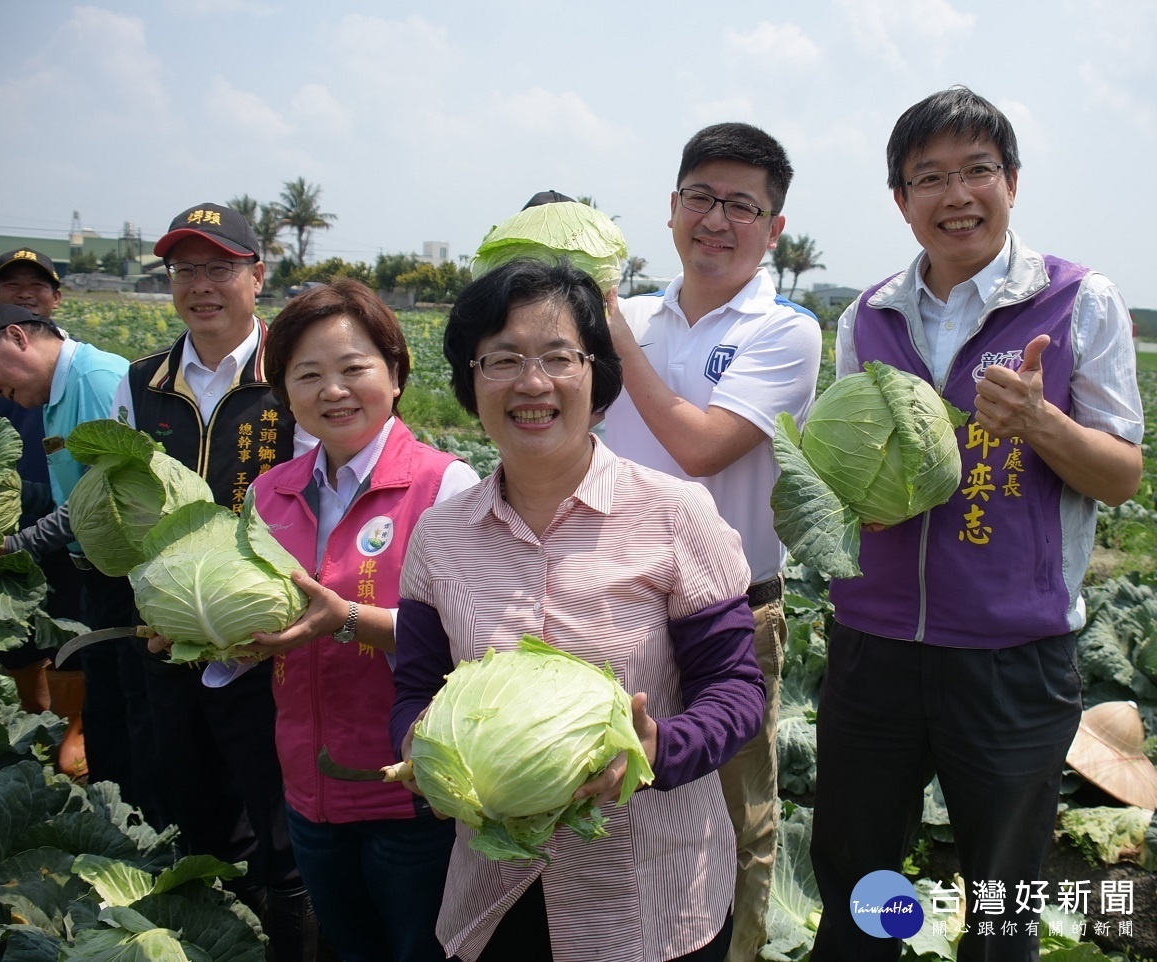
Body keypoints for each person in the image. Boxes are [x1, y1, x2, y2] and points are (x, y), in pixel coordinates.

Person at [811, 87, 1144, 962]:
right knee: (859, 878)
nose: (957, 194)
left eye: (977, 171)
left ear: (1013, 181)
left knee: (1000, 898)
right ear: (901, 200)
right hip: (874, 644)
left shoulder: (1080, 300)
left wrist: (1042, 424)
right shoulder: (867, 315)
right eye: (930, 177)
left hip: (1012, 656)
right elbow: (842, 466)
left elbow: (1122, 474)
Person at [390, 258, 766, 962]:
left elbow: (737, 693)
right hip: (494, 895)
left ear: (598, 376)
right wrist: (419, 750)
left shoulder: (675, 515)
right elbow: (414, 690)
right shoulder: (439, 537)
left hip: (651, 897)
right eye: (501, 359)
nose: (532, 383)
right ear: (471, 383)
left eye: (558, 357)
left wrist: (658, 751)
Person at [602, 122, 822, 960]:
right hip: (614, 599)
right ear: (671, 208)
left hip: (730, 608)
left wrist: (613, 334)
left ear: (774, 229)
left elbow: (699, 446)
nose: (717, 220)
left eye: (743, 205)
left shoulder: (786, 330)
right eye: (702, 197)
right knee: (612, 796)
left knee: (739, 818)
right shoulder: (630, 314)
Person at [241, 280, 480, 962]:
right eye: (308, 374)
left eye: (354, 369)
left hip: (409, 790)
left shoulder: (444, 485)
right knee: (347, 948)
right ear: (284, 391)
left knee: (419, 951)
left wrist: (347, 618)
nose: (334, 391)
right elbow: (259, 619)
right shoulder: (269, 493)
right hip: (306, 785)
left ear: (396, 373)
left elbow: (474, 637)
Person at [117, 202, 315, 962]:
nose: (202, 286)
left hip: (270, 644)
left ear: (256, 277)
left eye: (220, 268)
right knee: (192, 815)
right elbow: (117, 511)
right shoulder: (138, 385)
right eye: (186, 270)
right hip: (171, 641)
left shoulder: (293, 376)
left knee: (278, 825)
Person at [0, 301, 156, 809]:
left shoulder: (95, 379)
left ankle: (140, 816)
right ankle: (115, 812)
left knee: (132, 710)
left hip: (125, 579)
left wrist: (11, 545)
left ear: (20, 337)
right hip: (94, 573)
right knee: (107, 705)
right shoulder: (53, 393)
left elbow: (96, 497)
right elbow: (67, 495)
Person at [0, 249, 81, 723]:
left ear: (56, 297)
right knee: (12, 631)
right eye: (13, 285)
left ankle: (74, 727)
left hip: (65, 523)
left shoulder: (76, 367)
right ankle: (35, 714)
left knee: (72, 625)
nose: (26, 293)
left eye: (38, 285)